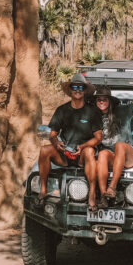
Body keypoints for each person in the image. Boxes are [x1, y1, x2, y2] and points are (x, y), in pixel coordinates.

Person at [37, 72, 103, 207]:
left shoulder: (93, 111)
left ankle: (92, 195)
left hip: (82, 155)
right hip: (65, 153)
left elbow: (98, 138)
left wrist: (83, 147)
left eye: (80, 88)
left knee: (90, 151)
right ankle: (43, 191)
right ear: (70, 90)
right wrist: (56, 143)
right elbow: (53, 134)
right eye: (75, 87)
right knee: (44, 150)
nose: (77, 90)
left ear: (84, 91)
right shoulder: (62, 110)